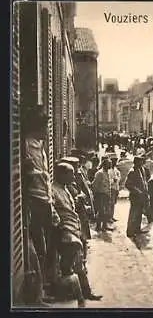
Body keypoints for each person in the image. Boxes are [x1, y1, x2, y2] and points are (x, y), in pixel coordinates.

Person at [22, 106, 60, 305]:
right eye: (44, 125)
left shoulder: (40, 146)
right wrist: (37, 174)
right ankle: (38, 293)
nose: (46, 129)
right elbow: (27, 173)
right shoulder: (27, 145)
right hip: (34, 201)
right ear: (36, 126)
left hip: (45, 200)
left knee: (47, 246)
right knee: (39, 247)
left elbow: (44, 178)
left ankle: (45, 285)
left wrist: (51, 204)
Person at [52, 162, 102, 307]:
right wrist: (60, 226)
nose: (73, 177)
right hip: (66, 232)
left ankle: (85, 293)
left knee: (79, 264)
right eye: (71, 174)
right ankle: (78, 297)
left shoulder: (64, 189)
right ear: (62, 174)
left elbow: (67, 207)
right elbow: (54, 212)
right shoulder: (54, 190)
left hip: (74, 229)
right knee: (70, 266)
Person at [125, 155, 150, 240]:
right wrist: (137, 191)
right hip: (135, 196)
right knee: (133, 214)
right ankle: (130, 232)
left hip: (142, 196)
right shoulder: (132, 171)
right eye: (140, 161)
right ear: (136, 162)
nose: (142, 163)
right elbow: (127, 184)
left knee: (139, 213)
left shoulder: (141, 170)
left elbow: (143, 181)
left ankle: (137, 229)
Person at [91, 156, 113, 232]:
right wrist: (96, 194)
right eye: (108, 164)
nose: (110, 166)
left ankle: (104, 225)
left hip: (106, 194)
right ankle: (98, 226)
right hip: (100, 194)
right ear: (104, 165)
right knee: (101, 211)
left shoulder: (107, 173)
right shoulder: (100, 173)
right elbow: (94, 185)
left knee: (106, 210)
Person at [108, 153, 121, 224]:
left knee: (113, 203)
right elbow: (107, 180)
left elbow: (119, 177)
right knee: (110, 203)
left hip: (115, 188)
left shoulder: (115, 169)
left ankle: (111, 216)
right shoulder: (109, 170)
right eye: (113, 161)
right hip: (111, 188)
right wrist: (113, 180)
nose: (115, 162)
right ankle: (109, 217)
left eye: (115, 161)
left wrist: (117, 178)